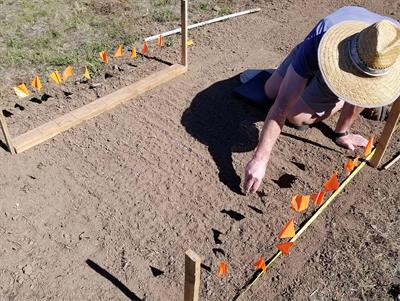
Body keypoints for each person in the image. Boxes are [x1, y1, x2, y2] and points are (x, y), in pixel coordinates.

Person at [243, 6, 400, 194]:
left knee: (296, 117)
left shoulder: (391, 47)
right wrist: (260, 158)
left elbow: (364, 87)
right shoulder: (322, 35)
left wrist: (342, 133)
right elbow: (281, 105)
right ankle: (305, 75)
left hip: (369, 68)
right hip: (320, 51)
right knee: (271, 91)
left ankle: (353, 96)